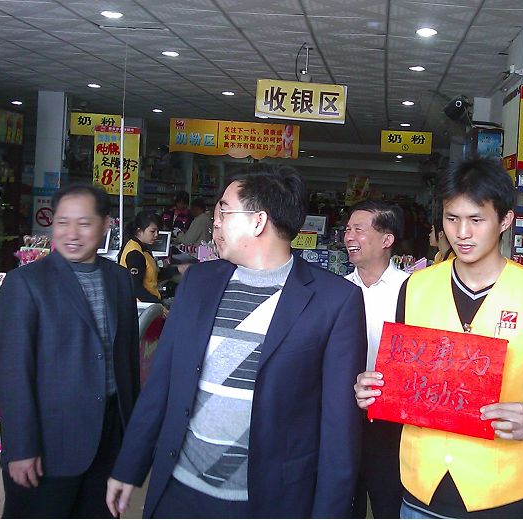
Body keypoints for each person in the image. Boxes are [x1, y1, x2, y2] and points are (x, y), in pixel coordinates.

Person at [106, 164, 367, 519]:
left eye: (224, 213)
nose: (215, 224)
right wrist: (128, 466)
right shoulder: (198, 282)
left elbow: (338, 427)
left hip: (267, 500)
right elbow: (162, 383)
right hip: (179, 490)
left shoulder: (334, 301)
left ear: (258, 222)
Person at [354, 157, 523, 519]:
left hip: (499, 495)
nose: (462, 233)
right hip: (418, 489)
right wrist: (373, 389)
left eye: (476, 220)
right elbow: (405, 380)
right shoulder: (415, 288)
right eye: (452, 219)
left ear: (505, 220)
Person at [0, 184, 140, 518]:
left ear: (106, 225)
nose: (72, 234)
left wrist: (132, 442)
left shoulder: (119, 280)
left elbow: (127, 362)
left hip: (109, 438)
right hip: (48, 444)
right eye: (62, 222)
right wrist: (20, 447)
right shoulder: (26, 283)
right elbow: (11, 374)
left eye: (84, 223)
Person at [343, 200, 409, 519]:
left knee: (389, 502)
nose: (348, 236)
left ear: (387, 239)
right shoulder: (337, 290)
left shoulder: (411, 290)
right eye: (347, 229)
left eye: (358, 229)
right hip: (345, 414)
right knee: (345, 501)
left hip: (392, 418)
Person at [118, 211, 187, 304]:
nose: (156, 235)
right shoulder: (135, 254)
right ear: (139, 231)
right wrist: (160, 305)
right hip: (145, 305)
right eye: (152, 231)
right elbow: (136, 289)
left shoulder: (141, 248)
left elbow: (153, 274)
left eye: (157, 231)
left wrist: (178, 269)